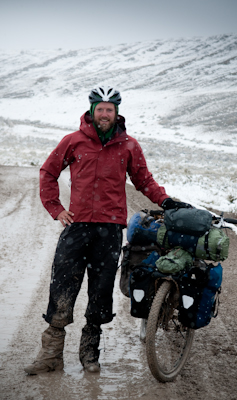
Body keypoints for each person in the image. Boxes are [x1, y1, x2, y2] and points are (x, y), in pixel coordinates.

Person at [24, 85, 190, 375]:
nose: (104, 114)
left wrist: (165, 200)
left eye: (109, 109)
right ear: (92, 111)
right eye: (99, 109)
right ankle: (51, 355)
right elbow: (48, 172)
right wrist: (55, 208)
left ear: (116, 112)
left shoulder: (128, 146)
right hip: (76, 227)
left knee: (100, 292)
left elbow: (144, 180)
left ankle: (90, 353)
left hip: (110, 230)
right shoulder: (73, 141)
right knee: (62, 286)